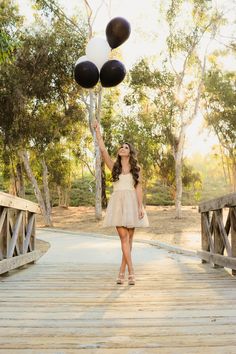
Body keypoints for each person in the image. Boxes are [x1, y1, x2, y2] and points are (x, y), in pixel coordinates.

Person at [93, 120, 149, 286]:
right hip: (118, 203)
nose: (122, 148)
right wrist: (98, 130)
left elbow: (139, 189)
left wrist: (140, 207)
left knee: (129, 240)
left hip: (132, 203)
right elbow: (102, 149)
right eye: (121, 147)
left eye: (125, 147)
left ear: (130, 152)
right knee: (123, 238)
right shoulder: (113, 167)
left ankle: (121, 272)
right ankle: (132, 272)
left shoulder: (136, 169)